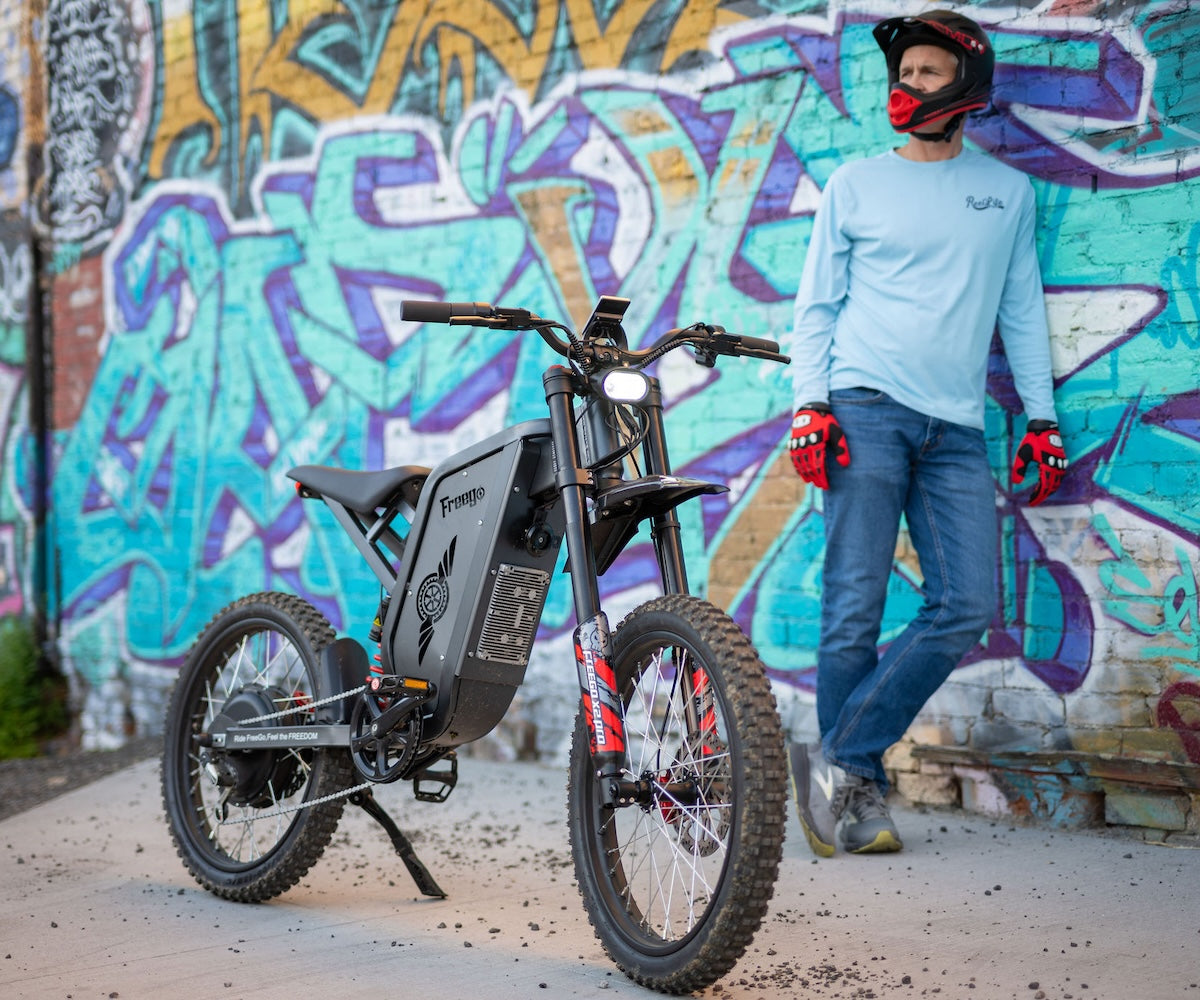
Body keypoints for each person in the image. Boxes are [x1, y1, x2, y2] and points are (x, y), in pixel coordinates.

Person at [785, 9, 1068, 856]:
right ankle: (857, 797)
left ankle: (836, 759)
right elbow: (816, 307)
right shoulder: (856, 184)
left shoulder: (1005, 193)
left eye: (927, 73)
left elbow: (1020, 311)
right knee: (852, 610)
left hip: (955, 426)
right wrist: (811, 404)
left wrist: (1041, 419)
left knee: (966, 604)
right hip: (864, 407)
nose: (907, 86)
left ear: (967, 86)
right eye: (902, 73)